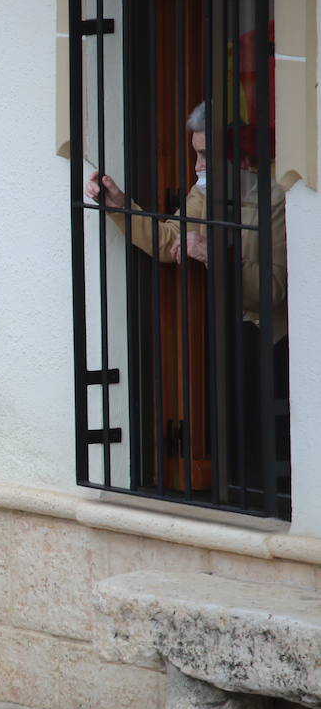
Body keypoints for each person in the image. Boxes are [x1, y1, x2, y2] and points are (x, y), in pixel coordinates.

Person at [87, 100, 290, 496]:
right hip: (223, 329)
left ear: (240, 157)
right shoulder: (205, 195)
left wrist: (210, 252)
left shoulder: (276, 200)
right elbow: (171, 241)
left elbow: (274, 291)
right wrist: (119, 206)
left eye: (205, 156)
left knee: (261, 451)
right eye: (195, 154)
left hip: (270, 341)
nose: (198, 167)